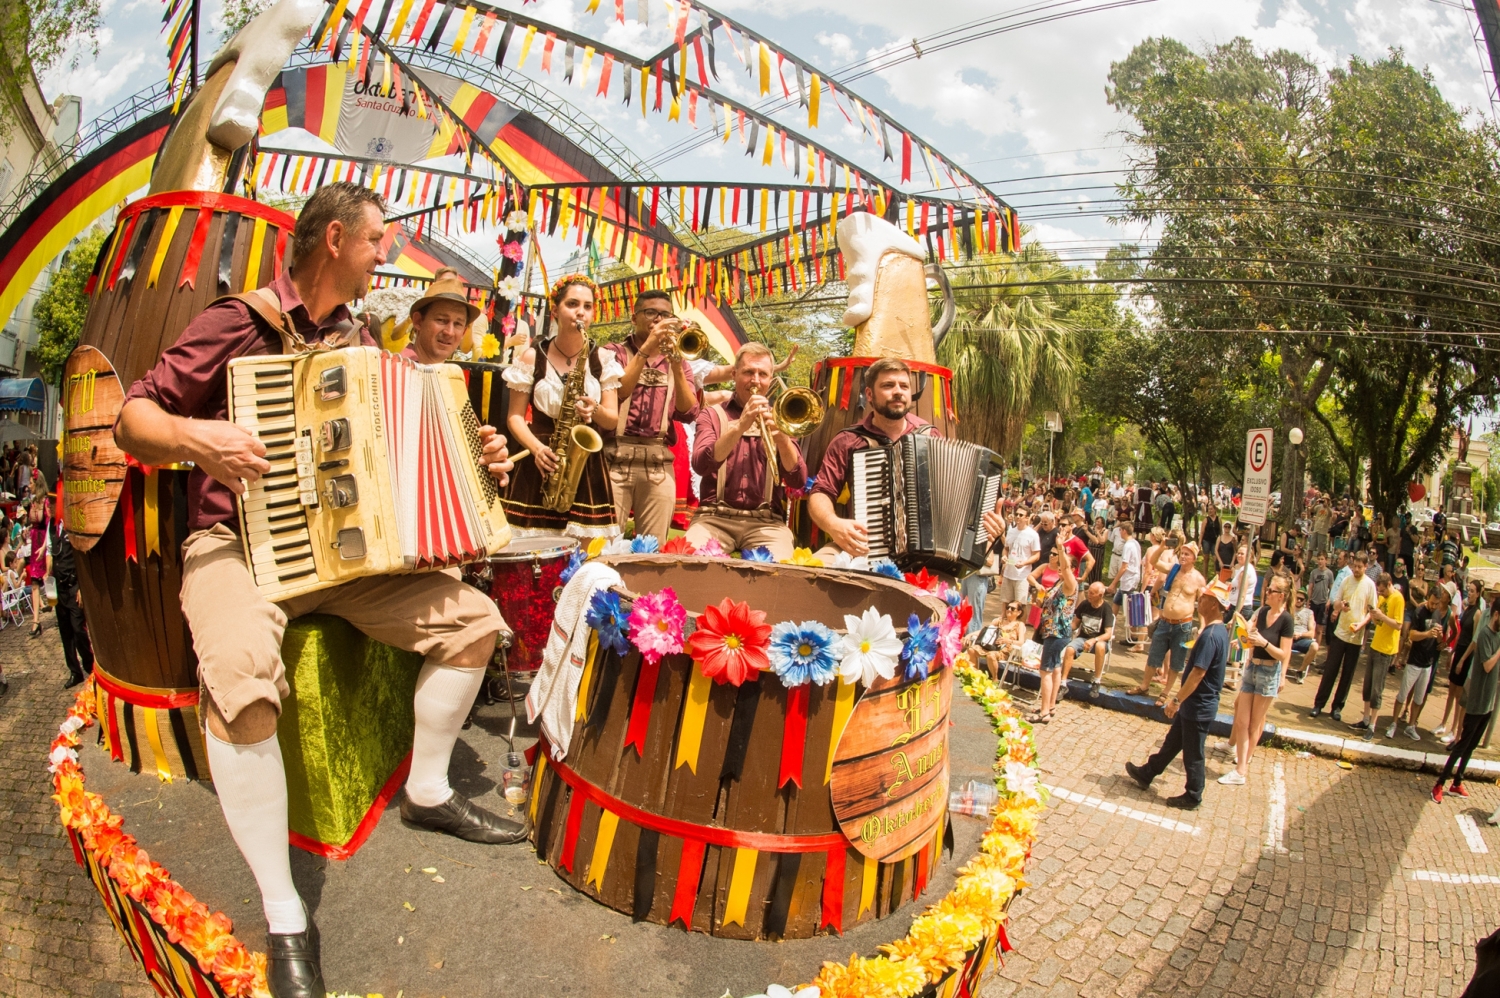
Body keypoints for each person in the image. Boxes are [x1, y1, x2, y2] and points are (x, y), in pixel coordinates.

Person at [115, 182, 521, 998]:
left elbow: (399, 446)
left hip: (342, 562)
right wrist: (199, 437)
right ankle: (284, 909)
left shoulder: (363, 340)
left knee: (475, 622)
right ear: (336, 240)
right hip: (236, 544)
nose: (386, 257)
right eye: (379, 243)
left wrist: (473, 453)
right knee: (237, 672)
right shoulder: (240, 322)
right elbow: (134, 418)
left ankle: (430, 789)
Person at [502, 275, 622, 539]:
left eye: (588, 306)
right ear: (555, 310)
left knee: (585, 551)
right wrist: (537, 449)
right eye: (572, 304)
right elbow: (514, 417)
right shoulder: (532, 356)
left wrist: (595, 410)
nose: (581, 312)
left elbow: (612, 420)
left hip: (585, 463)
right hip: (541, 457)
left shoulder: (603, 359)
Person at [687, 343, 807, 560]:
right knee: (691, 562)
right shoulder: (711, 415)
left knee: (782, 573)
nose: (756, 380)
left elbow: (798, 479)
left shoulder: (782, 418)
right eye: (748, 372)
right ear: (734, 374)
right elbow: (700, 464)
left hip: (767, 522)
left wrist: (781, 438)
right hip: (713, 518)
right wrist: (740, 425)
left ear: (770, 378)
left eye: (763, 374)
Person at [808, 357, 936, 559]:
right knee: (815, 568)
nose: (898, 391)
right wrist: (833, 524)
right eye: (888, 385)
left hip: (926, 553)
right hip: (862, 546)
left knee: (942, 590)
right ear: (869, 394)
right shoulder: (849, 440)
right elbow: (820, 492)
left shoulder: (930, 437)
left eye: (904, 386)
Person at [603, 289, 701, 544]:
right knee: (603, 546)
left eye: (664, 314)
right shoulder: (612, 353)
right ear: (634, 318)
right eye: (650, 312)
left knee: (652, 551)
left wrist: (677, 363)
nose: (658, 319)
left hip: (658, 464)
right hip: (614, 460)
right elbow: (620, 392)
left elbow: (689, 412)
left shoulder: (679, 361)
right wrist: (647, 349)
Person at [1125, 588, 1231, 810]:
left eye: (1203, 599)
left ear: (1214, 605)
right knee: (1172, 743)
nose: (1198, 601)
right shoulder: (1216, 632)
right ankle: (1147, 773)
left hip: (1199, 704)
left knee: (1193, 753)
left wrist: (1177, 700)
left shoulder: (1211, 636)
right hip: (1196, 703)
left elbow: (1198, 673)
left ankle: (1193, 795)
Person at [1220, 575, 1295, 786]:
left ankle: (1241, 768)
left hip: (1269, 672)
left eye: (1270, 590)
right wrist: (1241, 641)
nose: (1266, 593)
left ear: (1281, 596)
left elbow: (1283, 654)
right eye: (1267, 589)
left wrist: (1263, 643)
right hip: (1253, 667)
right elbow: (1249, 635)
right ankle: (1239, 766)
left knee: (1254, 724)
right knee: (1242, 720)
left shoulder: (1286, 620)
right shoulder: (1261, 612)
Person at [1433, 596, 1500, 802]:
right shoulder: (1486, 636)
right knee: (1462, 744)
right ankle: (1440, 783)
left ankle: (1457, 782)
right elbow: (1487, 665)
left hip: (1488, 701)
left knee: (1471, 747)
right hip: (1477, 700)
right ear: (1497, 615)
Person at [1135, 542, 1206, 702]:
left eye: (1187, 554)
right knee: (1154, 655)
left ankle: (1165, 693)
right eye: (1182, 553)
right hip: (1165, 621)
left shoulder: (1198, 579)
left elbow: (1202, 605)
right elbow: (1153, 561)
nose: (1183, 556)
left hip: (1183, 625)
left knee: (1177, 660)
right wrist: (1161, 547)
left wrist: (1202, 625)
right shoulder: (1173, 569)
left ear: (1194, 558)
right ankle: (1144, 686)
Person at [1310, 551, 1376, 722]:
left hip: (1356, 636)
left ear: (1365, 567)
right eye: (1355, 567)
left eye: (1360, 567)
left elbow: (1372, 611)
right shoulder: (1347, 580)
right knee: (1331, 669)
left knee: (1347, 674)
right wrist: (1341, 607)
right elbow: (1336, 602)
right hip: (1341, 632)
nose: (1356, 570)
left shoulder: (1370, 585)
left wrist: (1361, 625)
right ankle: (1319, 703)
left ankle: (1337, 707)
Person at [1386, 585, 1452, 741]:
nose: (1434, 606)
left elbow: (1439, 639)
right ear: (1428, 597)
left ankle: (1411, 726)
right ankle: (1394, 723)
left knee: (1419, 698)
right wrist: (1427, 633)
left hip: (1428, 663)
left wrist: (1440, 636)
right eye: (1432, 602)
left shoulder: (1437, 613)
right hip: (1414, 661)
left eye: (1437, 603)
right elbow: (1412, 635)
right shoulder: (1419, 611)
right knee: (1403, 694)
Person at [1026, 545, 1078, 724]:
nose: (1061, 569)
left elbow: (1065, 568)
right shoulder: (1059, 584)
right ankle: (1051, 706)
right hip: (1050, 630)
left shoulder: (1071, 584)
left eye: (1065, 567)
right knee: (1055, 668)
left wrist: (1062, 550)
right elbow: (1048, 603)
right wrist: (1039, 601)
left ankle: (1044, 712)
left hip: (1057, 633)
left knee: (1045, 671)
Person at [1348, 574, 1405, 738]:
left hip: (1386, 650)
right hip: (1375, 645)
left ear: (1389, 584)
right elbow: (1374, 614)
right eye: (1378, 591)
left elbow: (1398, 625)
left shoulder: (1398, 599)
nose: (1380, 594)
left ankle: (1372, 725)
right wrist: (1365, 621)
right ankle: (1366, 719)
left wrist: (1382, 617)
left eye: (1382, 591)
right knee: (1367, 685)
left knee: (1377, 689)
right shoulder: (1383, 598)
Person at [1435, 579, 1486, 745]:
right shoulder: (1467, 609)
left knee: (1459, 695)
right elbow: (1460, 632)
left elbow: (1474, 640)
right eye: (1468, 590)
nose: (1469, 594)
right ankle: (1443, 723)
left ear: (1478, 594)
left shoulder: (1477, 612)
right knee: (1451, 690)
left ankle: (1454, 729)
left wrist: (1462, 659)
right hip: (1459, 651)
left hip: (1467, 654)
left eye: (1472, 591)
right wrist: (1452, 653)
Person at [47, 503, 93, 688]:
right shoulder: (51, 525)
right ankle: (75, 672)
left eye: (51, 504)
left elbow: (83, 556)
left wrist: (82, 587)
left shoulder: (73, 523)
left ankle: (90, 667)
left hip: (73, 584)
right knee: (65, 632)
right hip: (58, 586)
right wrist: (48, 572)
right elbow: (51, 551)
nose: (49, 508)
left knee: (78, 629)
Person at [402, 268, 478, 365]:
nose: (449, 332)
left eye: (458, 324)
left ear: (464, 332)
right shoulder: (393, 370)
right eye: (441, 320)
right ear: (418, 321)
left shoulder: (452, 377)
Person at [1063, 581, 1115, 696]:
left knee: (1101, 646)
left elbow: (1108, 634)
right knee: (1070, 648)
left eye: (1092, 593)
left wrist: (1094, 640)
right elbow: (1075, 624)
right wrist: (1063, 626)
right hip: (1083, 638)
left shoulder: (1106, 609)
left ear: (1100, 595)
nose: (1088, 594)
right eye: (1088, 591)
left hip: (1098, 641)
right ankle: (1063, 683)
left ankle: (1096, 681)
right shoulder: (1084, 604)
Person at [996, 508, 1041, 611]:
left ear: (1027, 518)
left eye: (1021, 515)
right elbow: (1006, 549)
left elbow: (1037, 555)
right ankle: (1004, 623)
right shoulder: (1011, 531)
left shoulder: (1033, 534)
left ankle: (1020, 626)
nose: (1018, 517)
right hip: (1008, 573)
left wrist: (1025, 562)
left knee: (1020, 605)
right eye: (1017, 514)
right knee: (1005, 602)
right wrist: (1004, 556)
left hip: (1022, 576)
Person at [967, 601, 1025, 679]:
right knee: (971, 649)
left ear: (1019, 612)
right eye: (1008, 607)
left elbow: (1021, 642)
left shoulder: (1019, 625)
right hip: (990, 646)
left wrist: (1008, 641)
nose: (1009, 610)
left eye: (1012, 608)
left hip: (1004, 651)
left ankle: (995, 679)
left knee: (991, 655)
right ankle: (975, 674)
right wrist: (970, 634)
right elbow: (985, 631)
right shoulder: (999, 620)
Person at [24, 499, 49, 637]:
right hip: (34, 543)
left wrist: (45, 545)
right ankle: (36, 621)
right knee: (34, 582)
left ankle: (58, 611)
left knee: (49, 578)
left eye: (32, 482)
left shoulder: (45, 502)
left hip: (43, 542)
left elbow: (49, 525)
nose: (30, 484)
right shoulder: (33, 501)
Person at [1287, 588, 1319, 683]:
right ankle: (1280, 670)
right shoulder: (1288, 610)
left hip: (1301, 639)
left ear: (1305, 601)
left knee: (1315, 646)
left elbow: (1312, 633)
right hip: (1287, 637)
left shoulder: (1309, 613)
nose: (1299, 600)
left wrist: (1300, 634)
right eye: (1297, 598)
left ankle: (1300, 671)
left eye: (1301, 599)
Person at [1306, 552, 1334, 646]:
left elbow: (1332, 588)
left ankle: (1316, 650)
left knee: (1319, 629)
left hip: (1323, 603)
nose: (1320, 561)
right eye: (1319, 559)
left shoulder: (1329, 573)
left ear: (1326, 560)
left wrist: (1329, 601)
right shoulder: (1314, 572)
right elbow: (1310, 587)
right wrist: (1308, 600)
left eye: (1322, 559)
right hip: (1314, 601)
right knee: (1312, 627)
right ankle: (1310, 647)